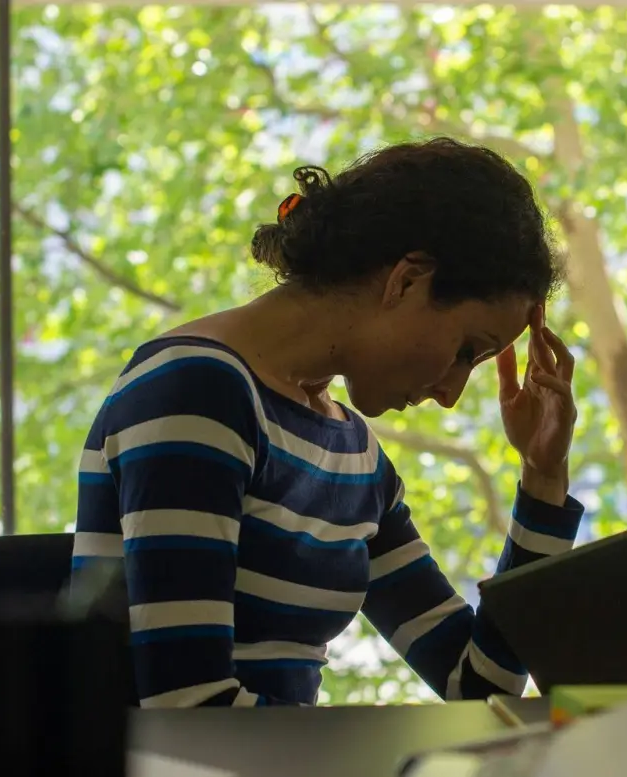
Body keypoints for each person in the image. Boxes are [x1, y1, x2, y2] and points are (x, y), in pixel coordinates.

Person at [71, 138, 584, 707]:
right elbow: (190, 707)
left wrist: (543, 477)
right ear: (407, 281)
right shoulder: (196, 391)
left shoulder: (354, 455)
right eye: (467, 349)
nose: (450, 393)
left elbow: (481, 687)